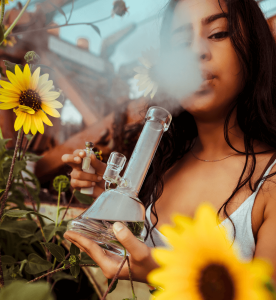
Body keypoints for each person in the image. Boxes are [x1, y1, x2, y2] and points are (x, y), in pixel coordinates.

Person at [62, 0, 276, 284]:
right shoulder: (161, 165)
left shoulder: (270, 182)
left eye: (218, 33)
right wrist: (113, 191)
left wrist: (159, 274)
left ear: (255, 49)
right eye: (180, 42)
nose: (197, 51)